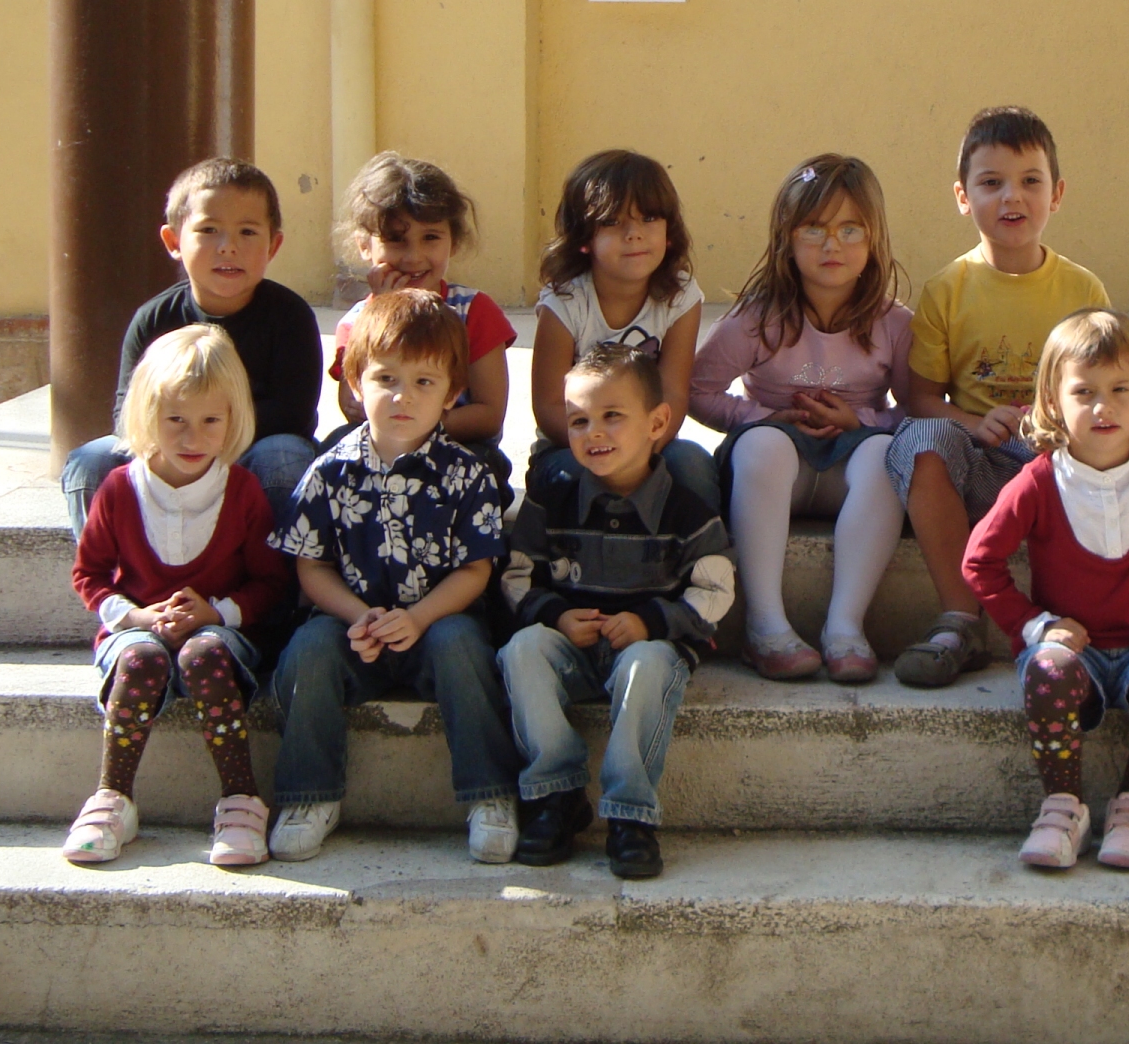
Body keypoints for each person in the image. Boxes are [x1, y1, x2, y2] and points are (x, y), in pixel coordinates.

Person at [266, 289, 521, 864]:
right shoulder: (329, 472)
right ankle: (309, 794)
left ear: (453, 393)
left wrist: (420, 617)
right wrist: (358, 617)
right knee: (309, 650)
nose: (404, 397)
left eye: (425, 383)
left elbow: (477, 568)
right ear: (356, 385)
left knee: (462, 646)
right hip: (353, 628)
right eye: (386, 379)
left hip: (437, 623)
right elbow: (312, 564)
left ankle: (490, 795)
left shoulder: (465, 474)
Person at [962, 310, 1129, 872]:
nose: (1103, 407)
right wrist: (1034, 625)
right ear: (1051, 402)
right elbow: (981, 561)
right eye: (1084, 392)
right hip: (1069, 653)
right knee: (1047, 671)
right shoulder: (1037, 480)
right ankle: (1063, 808)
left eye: (1120, 389)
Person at [884, 108, 1109, 688]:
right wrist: (974, 421)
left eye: (1031, 181)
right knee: (920, 438)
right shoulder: (946, 289)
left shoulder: (1082, 289)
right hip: (983, 466)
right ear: (963, 196)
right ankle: (960, 619)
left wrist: (1060, 426)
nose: (1013, 197)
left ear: (1056, 194)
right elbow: (923, 399)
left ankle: (1104, 616)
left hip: (1058, 468)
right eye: (991, 183)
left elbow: (1105, 385)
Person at [497, 344, 735, 877]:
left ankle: (631, 815)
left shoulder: (685, 510)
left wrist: (652, 622)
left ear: (657, 423)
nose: (593, 433)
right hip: (571, 647)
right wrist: (554, 615)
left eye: (612, 417)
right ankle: (556, 795)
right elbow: (516, 574)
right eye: (579, 421)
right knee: (522, 650)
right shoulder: (552, 497)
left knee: (647, 665)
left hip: (648, 649)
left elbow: (715, 590)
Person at [63, 326, 292, 867]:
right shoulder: (119, 488)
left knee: (204, 652)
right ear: (148, 417)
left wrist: (216, 612)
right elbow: (89, 574)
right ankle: (113, 799)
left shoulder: (243, 492)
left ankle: (240, 798)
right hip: (136, 631)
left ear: (233, 421)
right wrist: (134, 615)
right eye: (176, 421)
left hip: (218, 633)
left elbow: (270, 582)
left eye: (211, 421)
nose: (193, 438)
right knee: (142, 657)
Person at [691, 154, 912, 683]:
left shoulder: (894, 324)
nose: (831, 244)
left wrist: (863, 422)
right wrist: (768, 416)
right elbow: (697, 390)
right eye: (814, 228)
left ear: (874, 238)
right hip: (772, 479)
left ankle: (844, 627)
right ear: (786, 239)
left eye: (850, 228)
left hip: (847, 473)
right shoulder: (757, 318)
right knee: (762, 445)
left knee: (888, 454)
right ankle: (765, 627)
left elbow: (916, 409)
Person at [60, 158, 322, 538]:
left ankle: (273, 590)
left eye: (248, 232)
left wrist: (212, 435)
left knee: (285, 456)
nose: (228, 247)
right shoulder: (154, 319)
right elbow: (126, 410)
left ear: (273, 245)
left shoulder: (290, 316)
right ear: (172, 242)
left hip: (251, 449)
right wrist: (179, 439)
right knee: (90, 461)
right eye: (208, 230)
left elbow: (293, 413)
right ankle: (118, 587)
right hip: (169, 448)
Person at [529, 150, 717, 511]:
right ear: (584, 237)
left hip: (649, 441)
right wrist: (602, 449)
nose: (634, 235)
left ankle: (701, 560)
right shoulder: (565, 302)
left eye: (649, 218)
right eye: (613, 222)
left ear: (669, 232)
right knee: (562, 477)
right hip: (575, 445)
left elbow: (674, 393)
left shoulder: (680, 297)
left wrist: (639, 452)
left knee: (692, 465)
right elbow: (550, 405)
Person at [326, 151, 517, 496]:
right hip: (384, 448)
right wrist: (381, 314)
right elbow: (353, 408)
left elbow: (489, 414)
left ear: (453, 241)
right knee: (334, 452)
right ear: (365, 246)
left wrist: (420, 428)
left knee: (485, 467)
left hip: (457, 444)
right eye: (396, 239)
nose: (413, 256)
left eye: (430, 238)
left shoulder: (474, 311)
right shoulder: (356, 322)